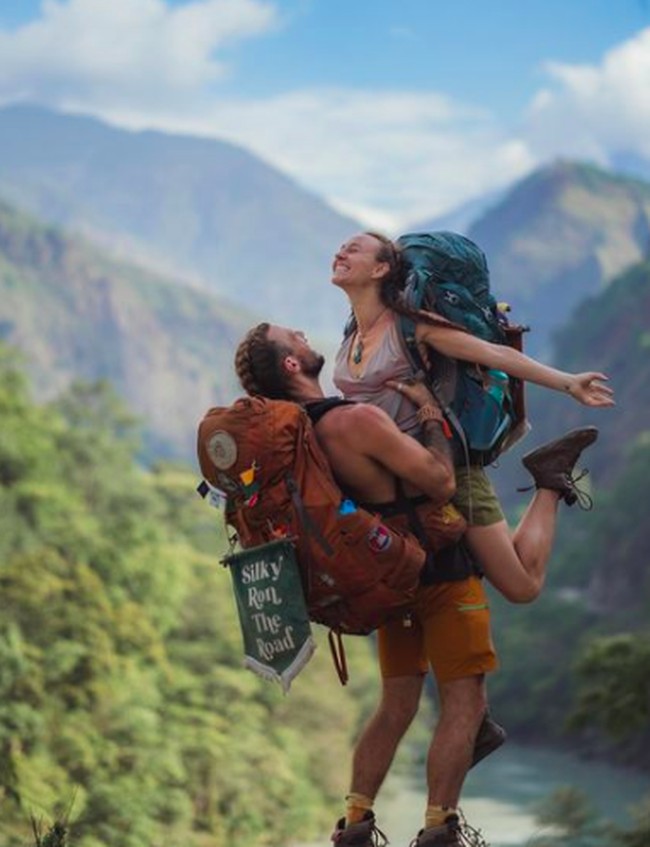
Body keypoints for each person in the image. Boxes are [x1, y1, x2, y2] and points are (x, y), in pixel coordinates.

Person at [233, 322, 598, 847]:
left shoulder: (299, 435)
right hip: (437, 566)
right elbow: (440, 480)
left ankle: (356, 824)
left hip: (383, 576)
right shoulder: (352, 420)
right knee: (466, 700)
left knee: (397, 702)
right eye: (294, 337)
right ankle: (439, 829)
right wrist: (428, 409)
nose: (303, 335)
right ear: (291, 365)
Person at [331, 232, 615, 603]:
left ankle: (549, 478)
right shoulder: (351, 334)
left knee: (521, 586)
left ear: (381, 268)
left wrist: (569, 383)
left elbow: (496, 355)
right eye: (341, 247)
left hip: (448, 469)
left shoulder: (411, 327)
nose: (341, 252)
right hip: (392, 480)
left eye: (354, 249)